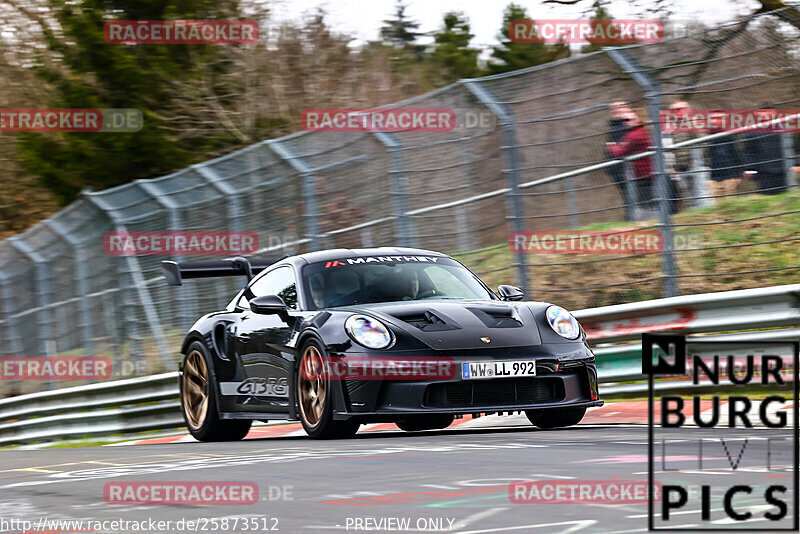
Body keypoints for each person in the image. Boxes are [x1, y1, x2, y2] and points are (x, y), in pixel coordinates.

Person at [606, 108, 655, 217]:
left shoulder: (635, 135)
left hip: (642, 176)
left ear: (638, 120)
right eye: (624, 120)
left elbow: (619, 152)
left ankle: (647, 223)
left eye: (629, 120)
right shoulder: (639, 132)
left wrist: (611, 146)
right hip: (643, 174)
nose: (625, 123)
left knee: (643, 206)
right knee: (644, 203)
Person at [741, 107, 789, 195]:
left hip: (784, 170)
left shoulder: (784, 129)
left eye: (768, 111)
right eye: (762, 111)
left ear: (774, 112)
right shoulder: (752, 131)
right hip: (764, 172)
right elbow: (749, 152)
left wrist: (795, 165)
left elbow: (792, 147)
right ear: (756, 113)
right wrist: (749, 169)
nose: (765, 114)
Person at [606, 101, 635, 220]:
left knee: (635, 196)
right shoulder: (614, 128)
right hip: (619, 170)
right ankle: (632, 218)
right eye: (615, 109)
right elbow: (612, 148)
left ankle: (633, 217)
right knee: (629, 197)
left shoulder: (630, 123)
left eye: (621, 107)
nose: (619, 110)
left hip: (632, 167)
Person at [705, 110, 742, 201]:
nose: (718, 121)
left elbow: (737, 154)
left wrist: (738, 175)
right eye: (714, 118)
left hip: (729, 177)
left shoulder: (731, 136)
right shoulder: (704, 136)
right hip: (711, 177)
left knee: (730, 203)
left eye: (721, 118)